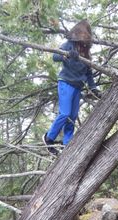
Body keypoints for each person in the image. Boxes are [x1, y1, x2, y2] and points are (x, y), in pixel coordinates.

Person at [43, 20, 101, 156]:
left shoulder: (87, 54)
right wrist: (66, 55)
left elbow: (89, 74)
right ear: (77, 38)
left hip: (77, 87)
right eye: (81, 41)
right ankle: (49, 138)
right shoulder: (69, 45)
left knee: (72, 116)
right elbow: (55, 56)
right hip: (66, 83)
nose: (83, 44)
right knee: (65, 113)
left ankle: (66, 144)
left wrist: (94, 89)